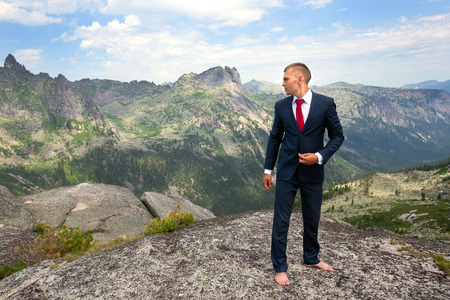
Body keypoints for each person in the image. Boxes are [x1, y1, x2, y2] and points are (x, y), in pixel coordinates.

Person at [263, 62, 344, 286]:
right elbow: (275, 138)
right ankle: (279, 266)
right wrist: (268, 169)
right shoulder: (281, 106)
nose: (282, 83)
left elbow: (338, 136)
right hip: (287, 171)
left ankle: (311, 258)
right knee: (281, 220)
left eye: (286, 79)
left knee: (312, 218)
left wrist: (319, 156)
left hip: (313, 172)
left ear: (300, 79)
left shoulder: (325, 104)